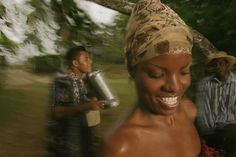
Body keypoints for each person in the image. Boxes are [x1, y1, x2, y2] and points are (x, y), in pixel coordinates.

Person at [97, 0, 201, 157]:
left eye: (184, 72)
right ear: (133, 70)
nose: (175, 86)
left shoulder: (188, 111)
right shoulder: (120, 147)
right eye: (156, 74)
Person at [46, 46, 105, 157]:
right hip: (65, 145)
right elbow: (56, 112)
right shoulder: (62, 80)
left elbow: (88, 106)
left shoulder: (84, 81)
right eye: (86, 59)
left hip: (84, 141)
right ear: (75, 63)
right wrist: (86, 106)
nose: (90, 61)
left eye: (90, 58)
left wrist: (93, 103)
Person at [196, 51, 236, 157]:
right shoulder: (204, 84)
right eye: (215, 65)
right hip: (210, 128)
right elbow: (202, 109)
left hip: (229, 125)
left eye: (221, 64)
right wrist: (204, 130)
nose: (218, 67)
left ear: (227, 65)